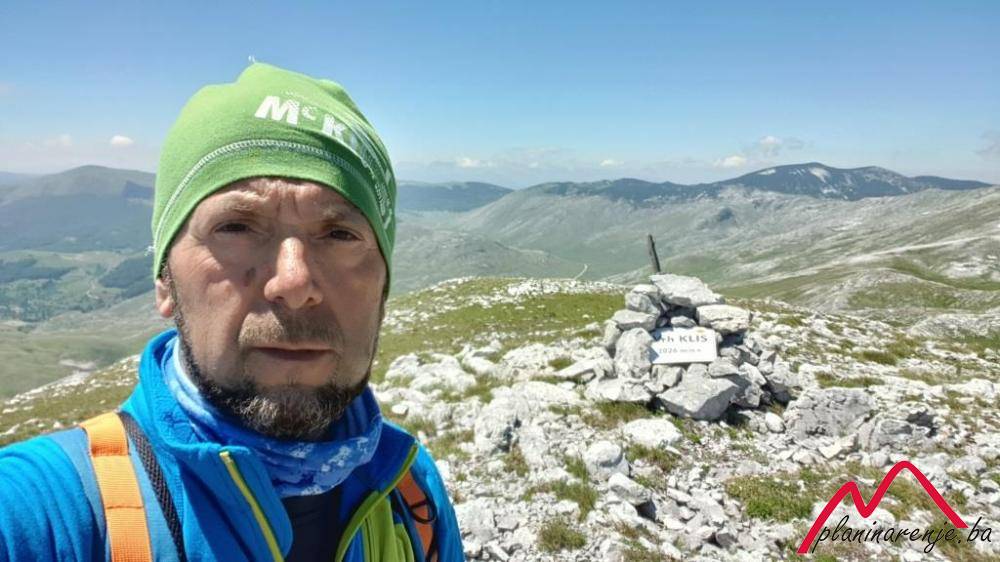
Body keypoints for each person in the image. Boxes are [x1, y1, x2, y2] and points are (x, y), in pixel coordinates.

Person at [0, 62, 464, 562]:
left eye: (339, 234)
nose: (294, 283)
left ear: (383, 288)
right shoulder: (45, 511)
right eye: (237, 228)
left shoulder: (412, 493)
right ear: (165, 280)